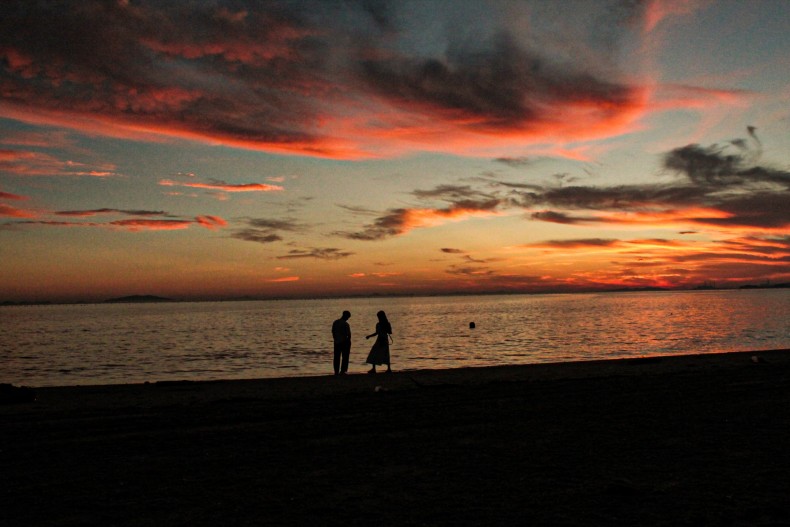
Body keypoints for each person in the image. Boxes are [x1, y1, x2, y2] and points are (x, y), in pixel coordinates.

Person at [331, 310, 351, 375]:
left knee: (336, 357)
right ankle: (343, 371)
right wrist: (349, 342)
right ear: (346, 316)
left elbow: (333, 332)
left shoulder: (335, 322)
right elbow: (349, 334)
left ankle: (336, 371)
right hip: (344, 342)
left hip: (336, 342)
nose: (348, 319)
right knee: (345, 357)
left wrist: (335, 339)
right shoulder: (346, 324)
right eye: (348, 317)